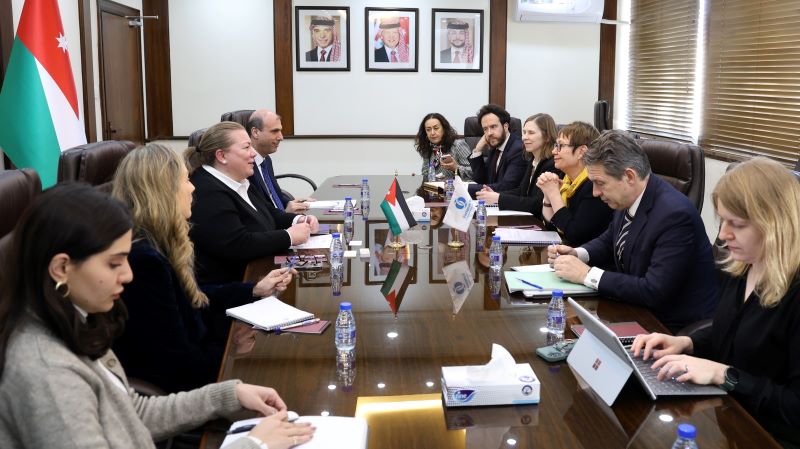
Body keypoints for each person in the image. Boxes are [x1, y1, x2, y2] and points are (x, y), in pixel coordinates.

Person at [0, 183, 315, 449]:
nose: (127, 275)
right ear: (61, 268)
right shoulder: (48, 369)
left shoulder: (74, 321)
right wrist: (254, 445)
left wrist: (227, 395)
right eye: (114, 263)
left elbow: (130, 411)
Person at [632, 158, 800, 447]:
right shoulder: (744, 266)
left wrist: (724, 374)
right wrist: (687, 343)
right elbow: (733, 332)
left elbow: (795, 407)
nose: (722, 235)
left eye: (737, 224)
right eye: (722, 220)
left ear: (776, 224)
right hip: (728, 417)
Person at [111, 143, 295, 393]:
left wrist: (254, 289)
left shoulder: (161, 240)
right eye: (185, 181)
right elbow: (175, 360)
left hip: (202, 360)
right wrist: (229, 351)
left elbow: (192, 297)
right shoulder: (144, 260)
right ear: (163, 191)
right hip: (185, 390)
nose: (193, 188)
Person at [547, 130, 717, 332]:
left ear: (629, 176)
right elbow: (610, 239)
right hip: (633, 310)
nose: (595, 192)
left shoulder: (675, 215)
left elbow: (653, 290)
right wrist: (578, 253)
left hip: (668, 328)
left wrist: (587, 274)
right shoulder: (629, 196)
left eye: (600, 183)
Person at [186, 122, 319, 285]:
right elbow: (238, 244)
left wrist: (297, 220)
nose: (253, 154)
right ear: (221, 156)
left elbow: (268, 211)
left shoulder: (239, 179)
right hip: (236, 286)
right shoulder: (206, 191)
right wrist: (289, 236)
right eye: (246, 147)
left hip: (261, 273)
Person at [536, 121, 613, 245]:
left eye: (560, 146)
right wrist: (547, 195)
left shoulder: (593, 185)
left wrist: (554, 194)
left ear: (581, 151)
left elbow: (574, 235)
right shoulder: (566, 178)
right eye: (555, 145)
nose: (554, 151)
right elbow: (551, 227)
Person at [475, 113, 561, 218]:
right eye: (524, 132)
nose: (524, 137)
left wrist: (498, 198)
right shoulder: (532, 159)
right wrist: (496, 194)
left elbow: (537, 204)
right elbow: (521, 191)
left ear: (547, 137)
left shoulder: (552, 164)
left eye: (531, 133)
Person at [247, 109, 314, 213]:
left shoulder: (266, 159)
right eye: (275, 131)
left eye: (280, 131)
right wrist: (285, 213)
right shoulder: (246, 165)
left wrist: (292, 203)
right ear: (255, 132)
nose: (281, 137)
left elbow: (274, 196)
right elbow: (257, 211)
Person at [467, 104, 528, 197]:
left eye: (493, 127)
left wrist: (466, 188)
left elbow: (507, 187)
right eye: (485, 129)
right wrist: (478, 149)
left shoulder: (518, 149)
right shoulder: (496, 146)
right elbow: (481, 180)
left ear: (505, 126)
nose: (489, 133)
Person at [414, 112, 473, 181]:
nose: (432, 133)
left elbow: (473, 172)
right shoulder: (428, 148)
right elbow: (427, 174)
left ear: (444, 129)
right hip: (435, 187)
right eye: (428, 129)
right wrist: (418, 178)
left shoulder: (458, 145)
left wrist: (456, 168)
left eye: (436, 128)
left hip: (454, 187)